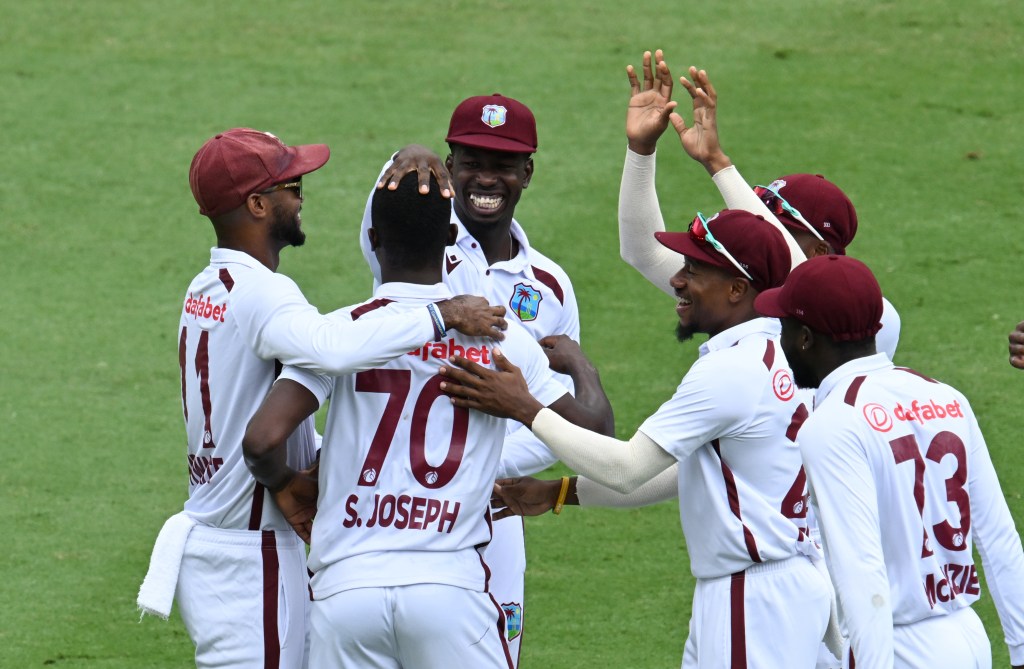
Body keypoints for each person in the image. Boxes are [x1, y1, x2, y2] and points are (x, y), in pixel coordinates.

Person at [136, 128, 508, 669]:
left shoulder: (207, 286)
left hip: (220, 541)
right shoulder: (266, 293)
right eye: (291, 183)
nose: (302, 193)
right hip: (253, 552)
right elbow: (331, 349)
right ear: (259, 204)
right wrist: (441, 314)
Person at [241, 172, 613, 668]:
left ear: (373, 239)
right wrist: (581, 365)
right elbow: (597, 436)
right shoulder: (501, 338)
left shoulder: (340, 332)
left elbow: (263, 440)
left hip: (347, 591)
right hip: (449, 591)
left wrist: (287, 486)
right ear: (450, 240)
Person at [441, 210, 835, 668]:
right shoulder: (779, 354)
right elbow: (684, 473)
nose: (678, 282)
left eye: (694, 270)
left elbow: (627, 468)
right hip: (780, 586)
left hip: (755, 601)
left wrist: (525, 408)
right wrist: (558, 492)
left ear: (737, 289)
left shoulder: (730, 371)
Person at [357, 93, 581, 663]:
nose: (487, 177)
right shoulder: (415, 238)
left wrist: (491, 463)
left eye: (503, 164)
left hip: (496, 511)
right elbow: (378, 211)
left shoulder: (551, 287)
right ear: (449, 167)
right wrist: (405, 154)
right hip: (397, 506)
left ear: (527, 172)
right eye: (471, 160)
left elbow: (563, 416)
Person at [754, 254, 1024, 668]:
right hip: (968, 639)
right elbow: (999, 538)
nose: (780, 340)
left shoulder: (831, 424)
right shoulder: (946, 397)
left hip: (898, 650)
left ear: (806, 337)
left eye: (784, 326)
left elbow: (862, 572)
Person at [618, 50, 901, 360]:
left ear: (819, 252)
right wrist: (641, 149)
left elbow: (798, 276)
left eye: (775, 223)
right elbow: (643, 253)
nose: (758, 231)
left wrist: (717, 163)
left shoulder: (872, 313)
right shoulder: (746, 293)